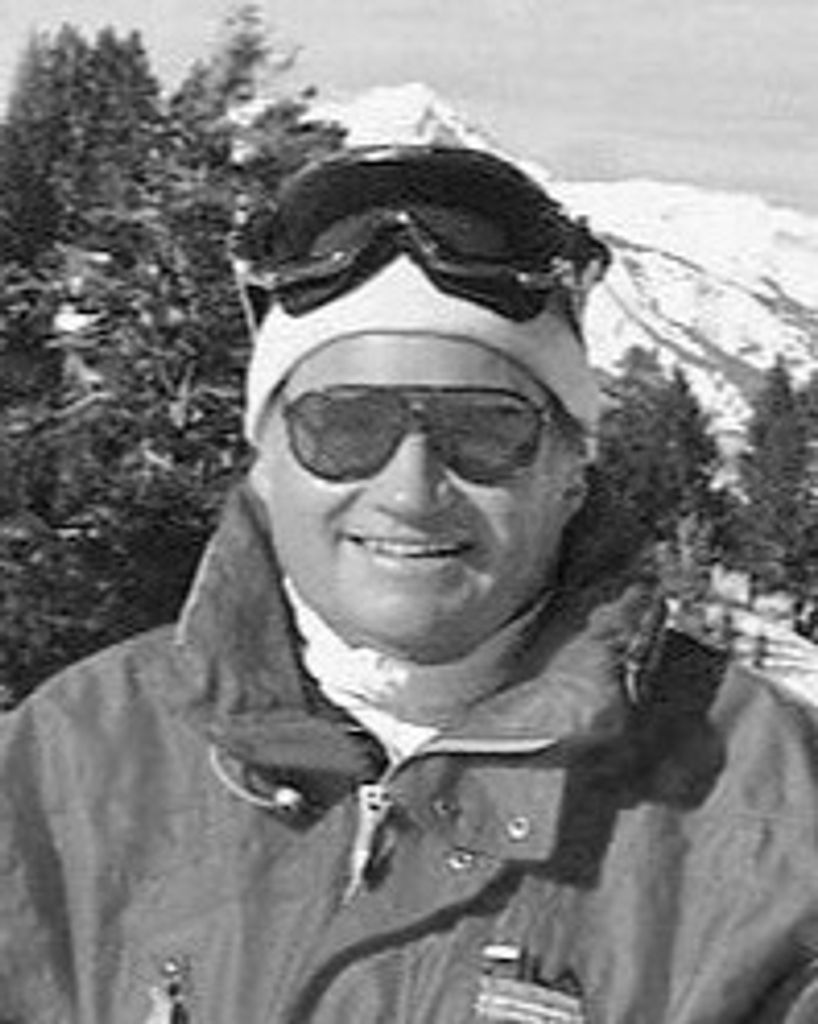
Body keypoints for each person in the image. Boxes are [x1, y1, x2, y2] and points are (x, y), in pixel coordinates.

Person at [2, 144, 818, 1024]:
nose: (411, 491)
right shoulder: (71, 766)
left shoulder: (766, 810)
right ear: (266, 464)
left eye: (485, 433)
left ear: (571, 471)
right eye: (345, 427)